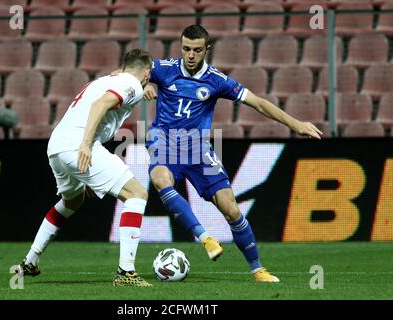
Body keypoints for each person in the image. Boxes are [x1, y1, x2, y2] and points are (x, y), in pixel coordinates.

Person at [144, 25, 322, 282]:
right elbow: (125, 73)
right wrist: (142, 86)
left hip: (198, 151)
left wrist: (296, 125)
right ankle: (205, 238)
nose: (190, 55)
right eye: (185, 49)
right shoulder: (163, 68)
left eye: (196, 50)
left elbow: (259, 103)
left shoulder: (217, 80)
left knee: (232, 211)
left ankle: (258, 269)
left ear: (207, 49)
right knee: (160, 179)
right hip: (166, 143)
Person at [16, 49, 154, 287]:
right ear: (147, 73)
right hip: (78, 145)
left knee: (72, 201)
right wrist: (86, 145)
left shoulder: (108, 79)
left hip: (56, 146)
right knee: (137, 194)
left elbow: (112, 84)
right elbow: (102, 104)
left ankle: (30, 261)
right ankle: (126, 272)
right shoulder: (131, 83)